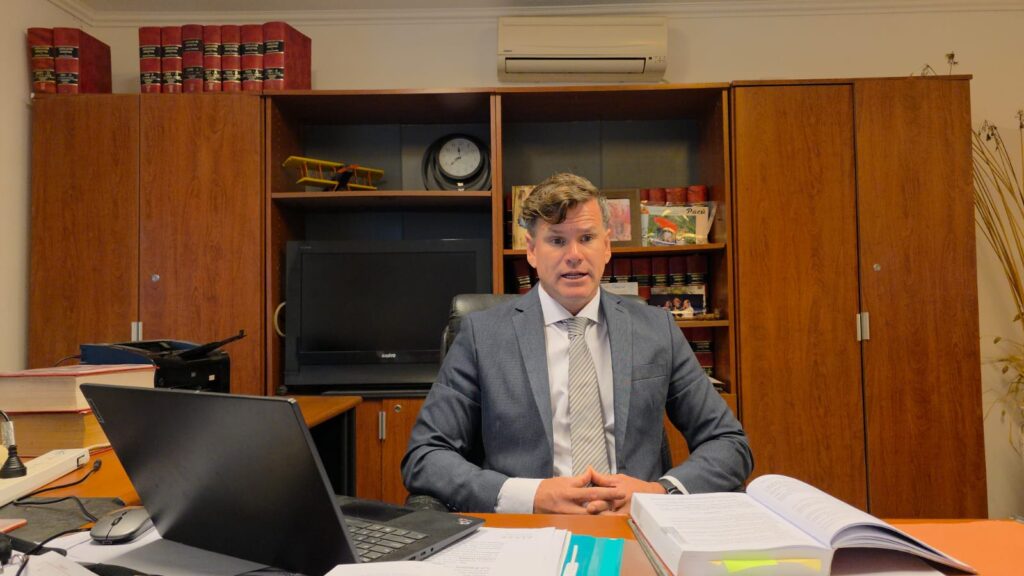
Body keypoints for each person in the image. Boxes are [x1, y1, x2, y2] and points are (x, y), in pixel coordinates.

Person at [402, 173, 752, 514]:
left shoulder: (656, 329)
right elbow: (425, 456)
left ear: (607, 246)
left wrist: (658, 493)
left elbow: (729, 443)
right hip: (527, 528)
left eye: (586, 237)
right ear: (532, 250)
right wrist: (531, 496)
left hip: (634, 522)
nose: (574, 254)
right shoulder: (482, 336)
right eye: (557, 241)